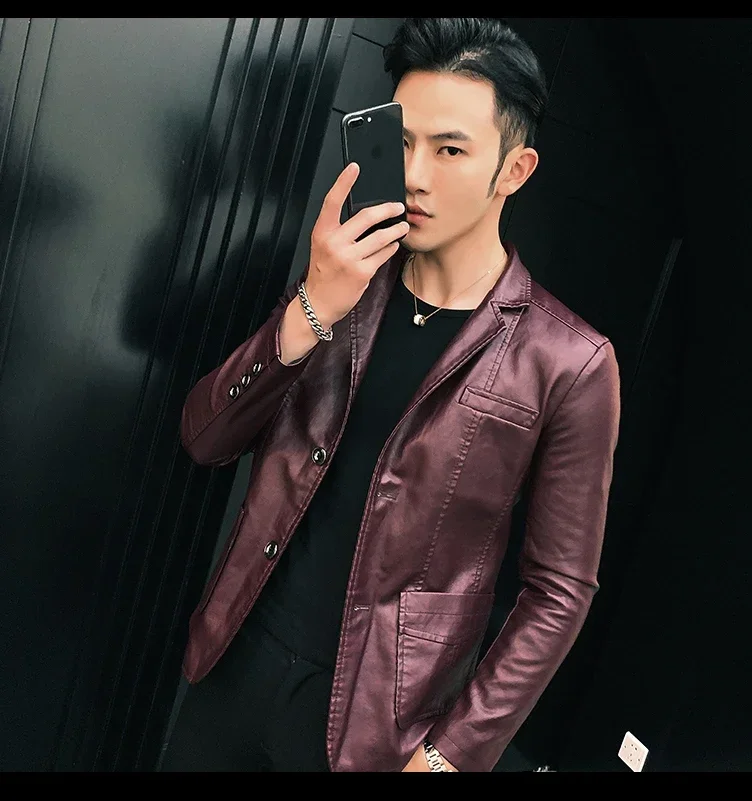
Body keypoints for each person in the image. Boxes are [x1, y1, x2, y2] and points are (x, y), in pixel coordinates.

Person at [160, 17, 621, 773]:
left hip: (378, 727)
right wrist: (313, 306)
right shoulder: (343, 282)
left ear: (515, 170)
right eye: (400, 142)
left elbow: (558, 593)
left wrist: (449, 755)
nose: (414, 174)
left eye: (449, 150)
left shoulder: (568, 361)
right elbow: (204, 437)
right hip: (236, 663)